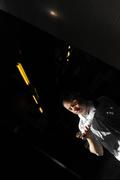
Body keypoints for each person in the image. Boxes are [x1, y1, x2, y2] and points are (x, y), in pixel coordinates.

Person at [61, 91, 120, 161]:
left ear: (80, 98)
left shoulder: (103, 101)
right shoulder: (82, 127)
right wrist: (90, 137)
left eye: (74, 104)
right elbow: (99, 152)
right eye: (70, 109)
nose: (74, 109)